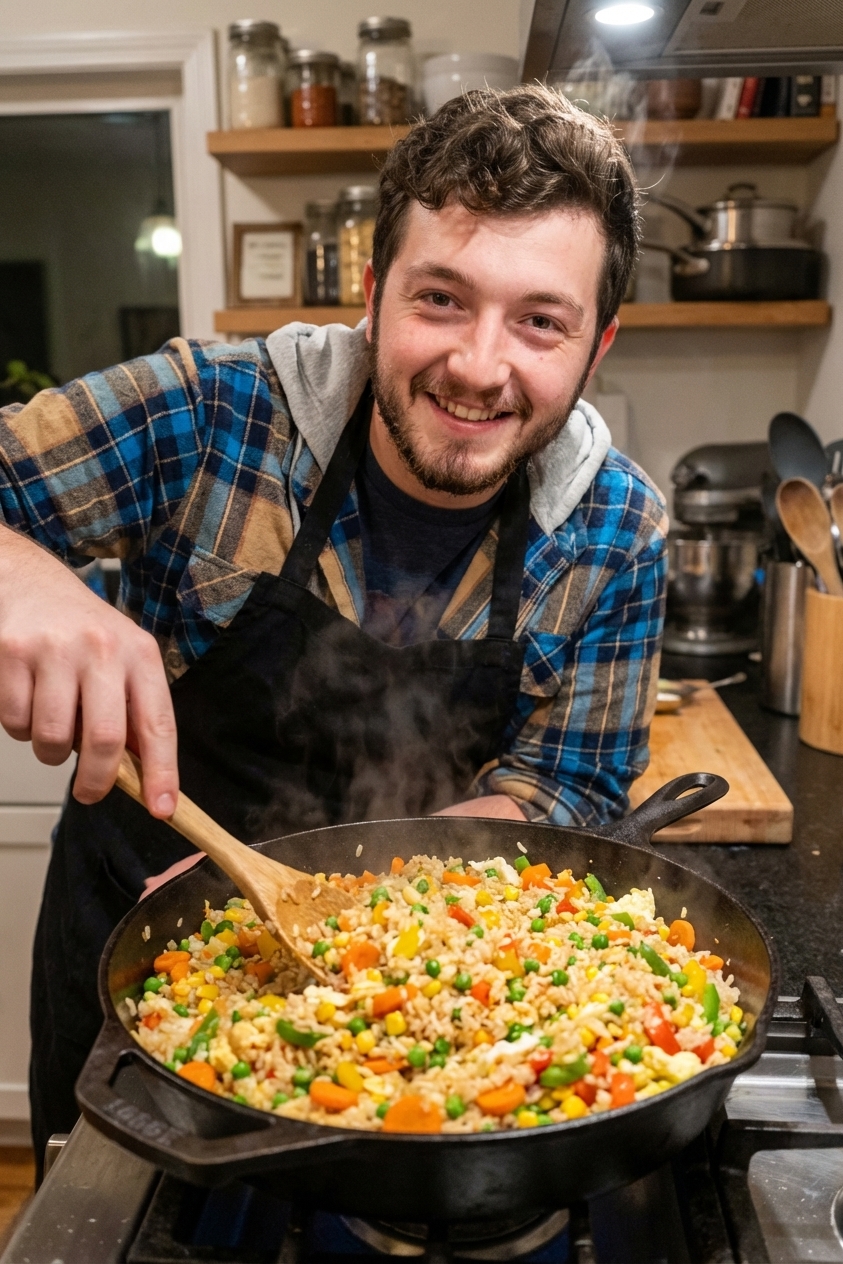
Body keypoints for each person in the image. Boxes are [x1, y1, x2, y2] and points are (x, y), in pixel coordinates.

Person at [0, 85, 667, 1170]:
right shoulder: (212, 412)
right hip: (139, 967)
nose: (479, 365)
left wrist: (367, 898)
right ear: (373, 294)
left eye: (541, 320)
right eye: (441, 299)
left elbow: (571, 790)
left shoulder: (619, 530)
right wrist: (15, 573)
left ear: (598, 344)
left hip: (429, 1041)